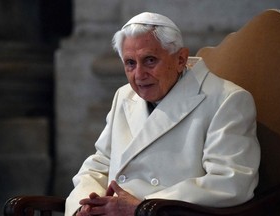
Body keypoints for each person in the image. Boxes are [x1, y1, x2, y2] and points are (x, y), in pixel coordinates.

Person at [65, 12, 260, 216]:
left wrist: (143, 207)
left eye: (149, 60)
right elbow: (101, 163)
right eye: (130, 63)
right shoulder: (124, 96)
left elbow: (231, 182)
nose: (139, 75)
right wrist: (85, 206)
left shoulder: (226, 100)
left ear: (180, 59)